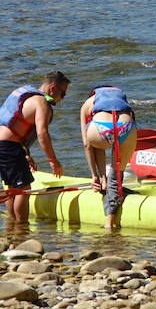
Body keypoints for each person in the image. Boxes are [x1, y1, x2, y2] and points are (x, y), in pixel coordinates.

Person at [0, 71, 68, 225]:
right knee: (23, 188)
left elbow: (16, 130)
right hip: (9, 146)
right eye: (62, 93)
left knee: (13, 188)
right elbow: (42, 133)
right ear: (52, 88)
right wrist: (53, 160)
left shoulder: (27, 95)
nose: (62, 98)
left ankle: (11, 226)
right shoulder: (42, 103)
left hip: (5, 145)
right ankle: (22, 226)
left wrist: (25, 154)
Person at [79, 85, 138, 226]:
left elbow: (87, 144)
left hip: (99, 128)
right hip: (126, 127)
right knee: (116, 174)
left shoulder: (88, 103)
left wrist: (93, 175)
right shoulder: (122, 98)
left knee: (95, 144)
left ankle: (101, 180)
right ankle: (108, 184)